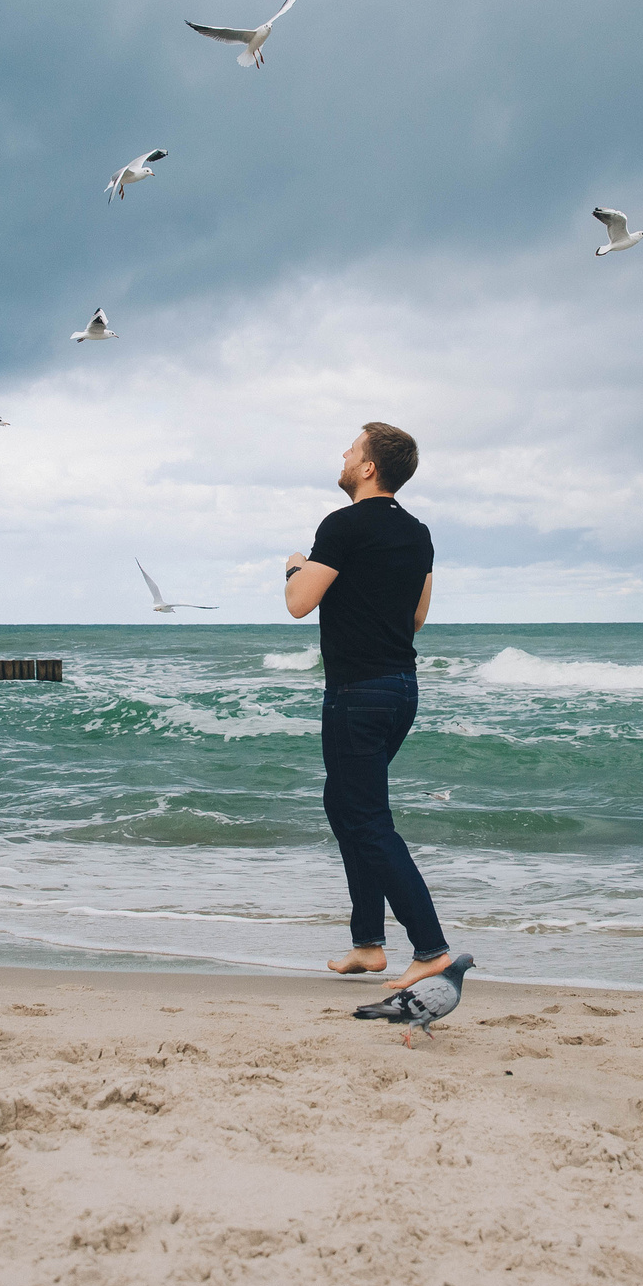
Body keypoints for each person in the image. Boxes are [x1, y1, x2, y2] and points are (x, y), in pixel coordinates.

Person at [284, 422, 451, 993]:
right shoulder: (418, 532)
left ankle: (430, 948)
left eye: (351, 449)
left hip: (357, 693)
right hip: (402, 689)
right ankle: (367, 944)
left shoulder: (342, 525)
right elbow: (417, 619)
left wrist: (293, 566)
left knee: (366, 818)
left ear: (369, 468)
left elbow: (299, 604)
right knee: (345, 806)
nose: (344, 455)